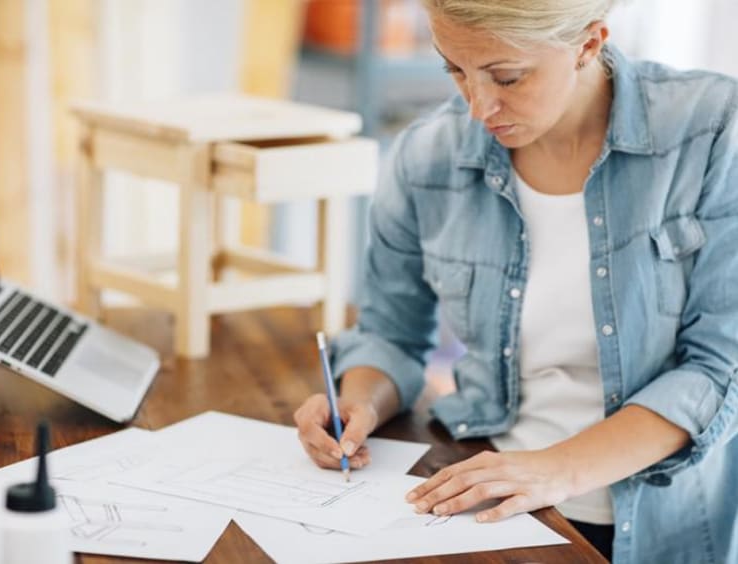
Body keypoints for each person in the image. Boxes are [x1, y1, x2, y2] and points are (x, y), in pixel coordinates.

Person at [293, 1, 738, 562]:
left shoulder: (713, 129)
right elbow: (390, 333)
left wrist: (552, 469)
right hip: (480, 494)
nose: (478, 108)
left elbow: (720, 369)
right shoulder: (427, 157)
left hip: (658, 524)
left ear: (588, 43)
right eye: (454, 69)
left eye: (507, 76)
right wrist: (357, 403)